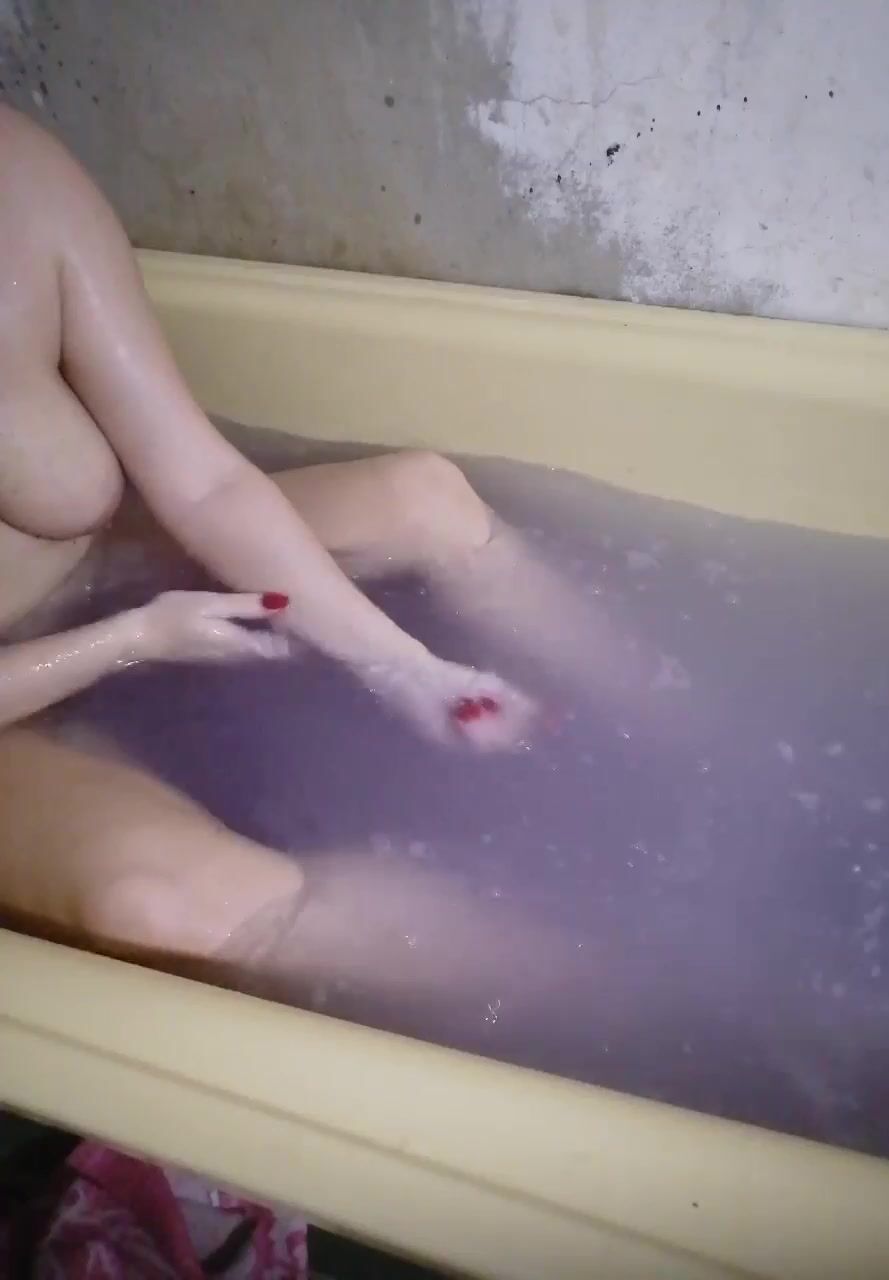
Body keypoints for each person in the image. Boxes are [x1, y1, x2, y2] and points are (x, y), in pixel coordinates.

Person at [0, 105, 629, 993]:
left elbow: (204, 485)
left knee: (427, 503)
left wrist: (407, 669)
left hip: (102, 566)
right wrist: (129, 639)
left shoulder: (19, 178)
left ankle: (693, 746)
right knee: (173, 906)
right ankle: (648, 1008)